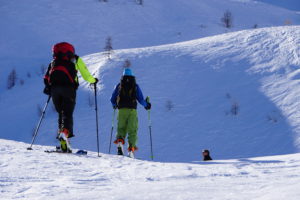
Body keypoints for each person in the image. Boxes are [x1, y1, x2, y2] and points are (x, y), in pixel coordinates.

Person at [43, 42, 98, 152]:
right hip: (69, 89)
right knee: (67, 113)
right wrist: (94, 81)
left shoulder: (54, 61)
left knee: (61, 113)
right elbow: (86, 74)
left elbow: (46, 77)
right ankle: (65, 134)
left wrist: (49, 88)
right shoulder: (75, 59)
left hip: (54, 90)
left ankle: (63, 139)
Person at [110, 67, 151, 158]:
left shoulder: (119, 85)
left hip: (121, 110)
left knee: (121, 128)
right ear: (132, 75)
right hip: (132, 110)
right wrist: (146, 105)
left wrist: (114, 105)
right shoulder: (135, 86)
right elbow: (140, 99)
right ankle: (131, 149)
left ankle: (120, 142)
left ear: (123, 75)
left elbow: (112, 99)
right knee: (132, 130)